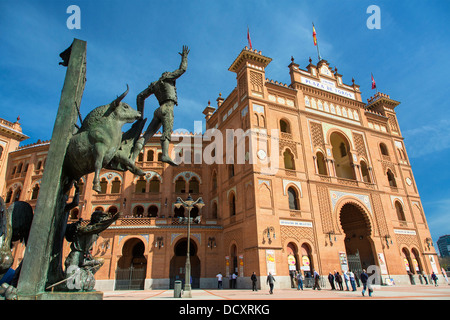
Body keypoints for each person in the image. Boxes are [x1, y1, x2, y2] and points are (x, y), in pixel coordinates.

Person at [133, 45, 190, 166]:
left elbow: (140, 96)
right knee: (167, 132)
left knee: (147, 135)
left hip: (158, 110)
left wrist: (140, 115)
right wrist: (184, 57)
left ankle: (132, 158)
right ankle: (164, 154)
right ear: (167, 75)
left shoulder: (155, 84)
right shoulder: (168, 78)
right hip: (167, 108)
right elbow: (182, 69)